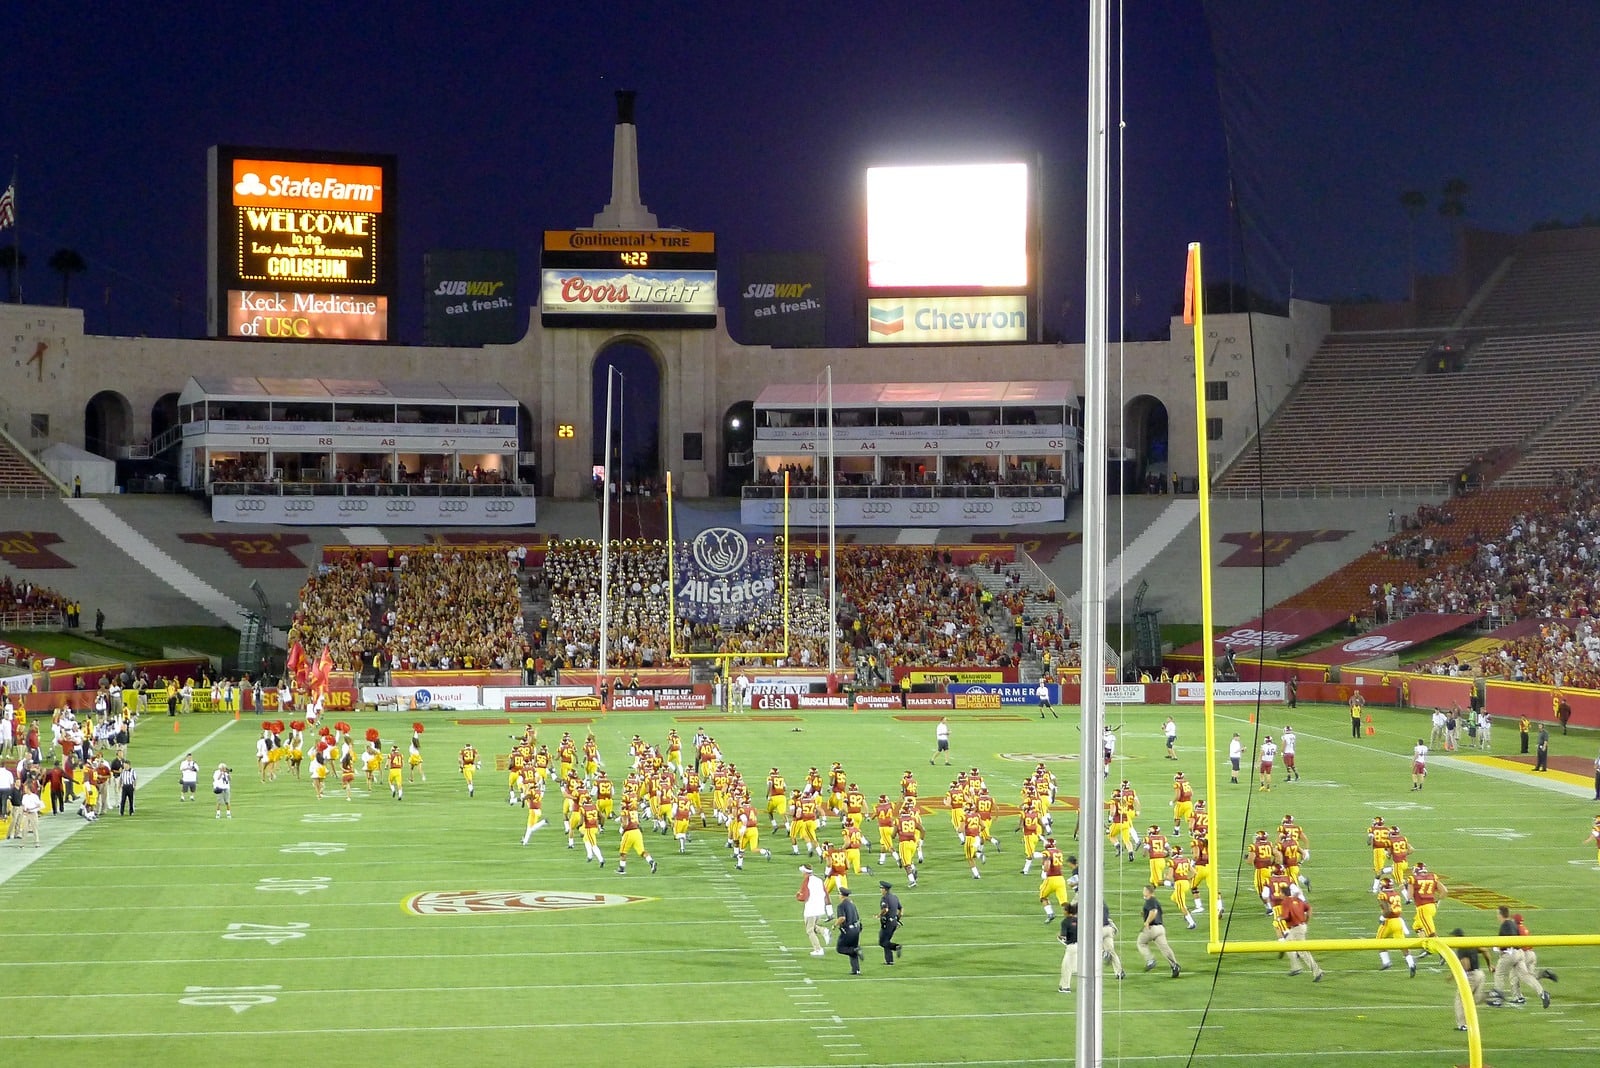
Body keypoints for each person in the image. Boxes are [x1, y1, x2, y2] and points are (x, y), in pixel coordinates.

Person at [1489, 905, 1549, 1008]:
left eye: (1498, 914)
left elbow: (1507, 941)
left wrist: (1498, 948)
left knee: (1499, 973)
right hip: (1519, 953)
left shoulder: (1506, 925)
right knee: (1526, 976)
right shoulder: (1513, 924)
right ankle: (1542, 993)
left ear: (1501, 915)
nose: (1497, 917)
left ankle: (1498, 1000)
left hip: (1510, 953)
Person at [1374, 877, 1416, 977]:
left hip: (1389, 921)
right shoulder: (1396, 893)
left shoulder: (1382, 895)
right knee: (1402, 945)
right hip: (1398, 921)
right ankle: (1411, 963)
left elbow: (1387, 911)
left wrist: (1382, 917)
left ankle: (1386, 962)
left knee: (1379, 941)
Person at [1136, 884, 1180, 978]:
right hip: (1160, 928)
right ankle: (1174, 965)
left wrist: (1147, 922)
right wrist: (1144, 915)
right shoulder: (1155, 901)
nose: (1143, 892)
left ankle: (1150, 960)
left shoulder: (1150, 900)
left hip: (1152, 928)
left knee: (1141, 943)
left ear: (1148, 892)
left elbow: (1154, 911)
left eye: (1144, 890)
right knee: (1165, 948)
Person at [1279, 893, 1323, 981]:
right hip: (1301, 926)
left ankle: (1317, 972)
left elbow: (1286, 916)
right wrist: (1306, 921)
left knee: (1303, 952)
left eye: (1280, 893)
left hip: (1296, 929)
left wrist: (1280, 918)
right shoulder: (1297, 899)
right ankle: (1296, 967)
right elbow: (1309, 908)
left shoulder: (1285, 902)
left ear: (1283, 894)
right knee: (1287, 944)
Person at [1451, 927, 1486, 1031]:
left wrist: (1457, 975)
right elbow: (1485, 950)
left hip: (1471, 976)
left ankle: (1463, 1025)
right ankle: (1491, 996)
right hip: (1480, 973)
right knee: (1474, 1000)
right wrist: (1489, 965)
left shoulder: (1462, 947)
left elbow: (1466, 964)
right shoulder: (1470, 942)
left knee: (1460, 1000)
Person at [833, 886, 864, 974]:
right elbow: (857, 916)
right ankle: (856, 970)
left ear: (842, 895)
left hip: (848, 930)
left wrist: (835, 925)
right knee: (853, 947)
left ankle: (856, 950)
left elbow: (842, 918)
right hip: (856, 928)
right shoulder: (852, 904)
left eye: (839, 894)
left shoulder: (841, 905)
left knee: (840, 948)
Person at [878, 880, 904, 965]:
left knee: (882, 942)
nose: (880, 889)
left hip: (887, 924)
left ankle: (896, 947)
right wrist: (897, 919)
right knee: (887, 941)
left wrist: (879, 915)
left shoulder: (884, 898)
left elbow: (885, 909)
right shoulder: (894, 897)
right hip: (894, 923)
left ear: (885, 889)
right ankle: (889, 960)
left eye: (881, 888)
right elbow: (901, 909)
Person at [1057, 901, 1079, 993]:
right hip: (1081, 946)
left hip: (1071, 947)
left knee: (1067, 967)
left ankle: (1066, 987)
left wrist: (1058, 936)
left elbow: (1064, 936)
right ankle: (1062, 986)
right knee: (1069, 966)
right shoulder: (1079, 920)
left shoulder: (1065, 922)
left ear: (1067, 911)